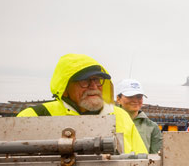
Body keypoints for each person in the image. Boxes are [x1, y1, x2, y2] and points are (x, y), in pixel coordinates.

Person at [17, 53, 148, 154]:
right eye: (84, 81)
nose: (94, 87)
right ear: (64, 89)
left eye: (97, 80)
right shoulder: (34, 117)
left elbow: (141, 160)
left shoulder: (120, 116)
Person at [116, 78, 163, 154]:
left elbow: (156, 156)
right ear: (118, 99)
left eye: (139, 97)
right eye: (130, 96)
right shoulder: (110, 122)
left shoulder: (152, 127)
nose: (135, 100)